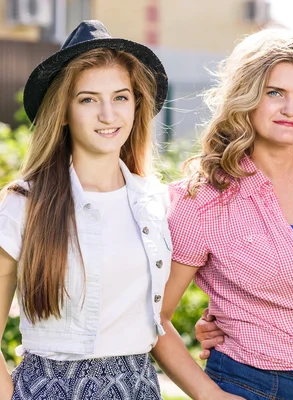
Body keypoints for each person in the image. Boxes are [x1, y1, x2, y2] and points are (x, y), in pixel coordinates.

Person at [151, 28, 293, 399]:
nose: (291, 109)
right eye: (275, 93)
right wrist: (209, 395)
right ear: (247, 96)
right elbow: (155, 319)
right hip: (252, 386)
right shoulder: (202, 199)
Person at [0, 20, 171, 399]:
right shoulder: (24, 203)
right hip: (48, 388)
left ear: (136, 104)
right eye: (88, 99)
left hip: (138, 387)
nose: (108, 115)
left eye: (121, 97)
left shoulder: (155, 202)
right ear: (63, 111)